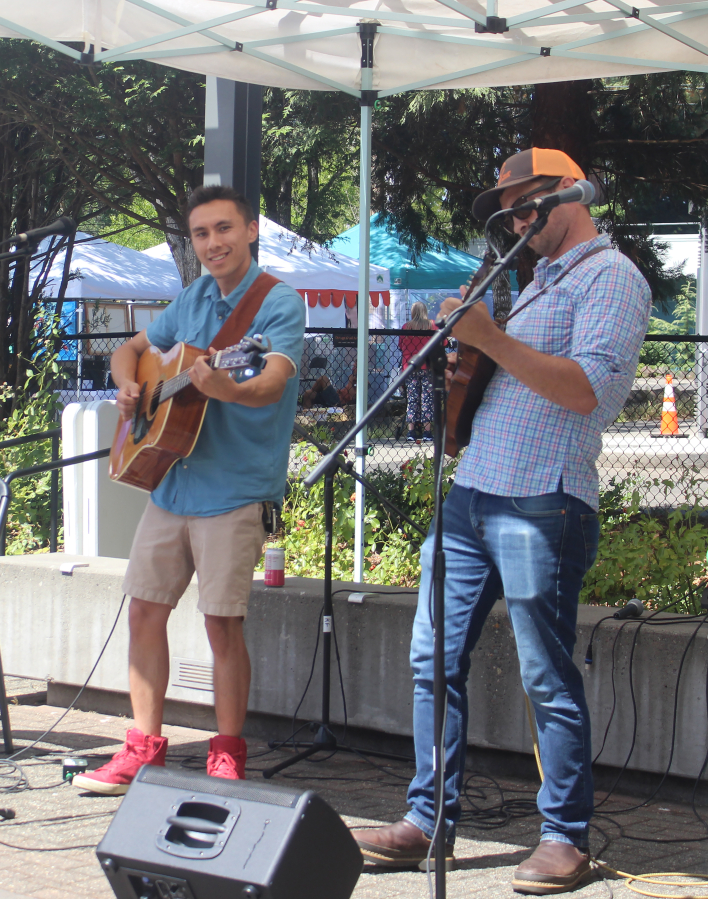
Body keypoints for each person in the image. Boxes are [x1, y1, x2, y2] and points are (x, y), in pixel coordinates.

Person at [352, 148, 651, 893]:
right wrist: (465, 359)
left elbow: (593, 391)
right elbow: (506, 378)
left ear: (569, 195)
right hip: (474, 490)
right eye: (507, 211)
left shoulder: (613, 277)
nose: (515, 221)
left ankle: (565, 837)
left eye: (527, 206)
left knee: (545, 673)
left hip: (543, 500)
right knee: (432, 658)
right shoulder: (534, 281)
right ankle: (428, 821)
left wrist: (491, 339)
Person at [72, 185, 305, 795]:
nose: (213, 243)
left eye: (223, 229)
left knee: (221, 624)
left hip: (232, 489)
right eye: (201, 233)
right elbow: (132, 351)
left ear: (251, 230)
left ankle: (226, 753)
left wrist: (222, 386)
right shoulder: (193, 296)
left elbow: (272, 382)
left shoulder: (277, 303)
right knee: (145, 611)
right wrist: (129, 388)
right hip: (172, 481)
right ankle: (141, 750)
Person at [399, 302, 437, 441]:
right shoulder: (432, 325)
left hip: (410, 366)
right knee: (427, 399)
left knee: (412, 398)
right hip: (427, 366)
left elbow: (401, 346)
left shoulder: (406, 327)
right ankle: (427, 432)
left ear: (413, 312)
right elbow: (442, 343)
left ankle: (411, 431)